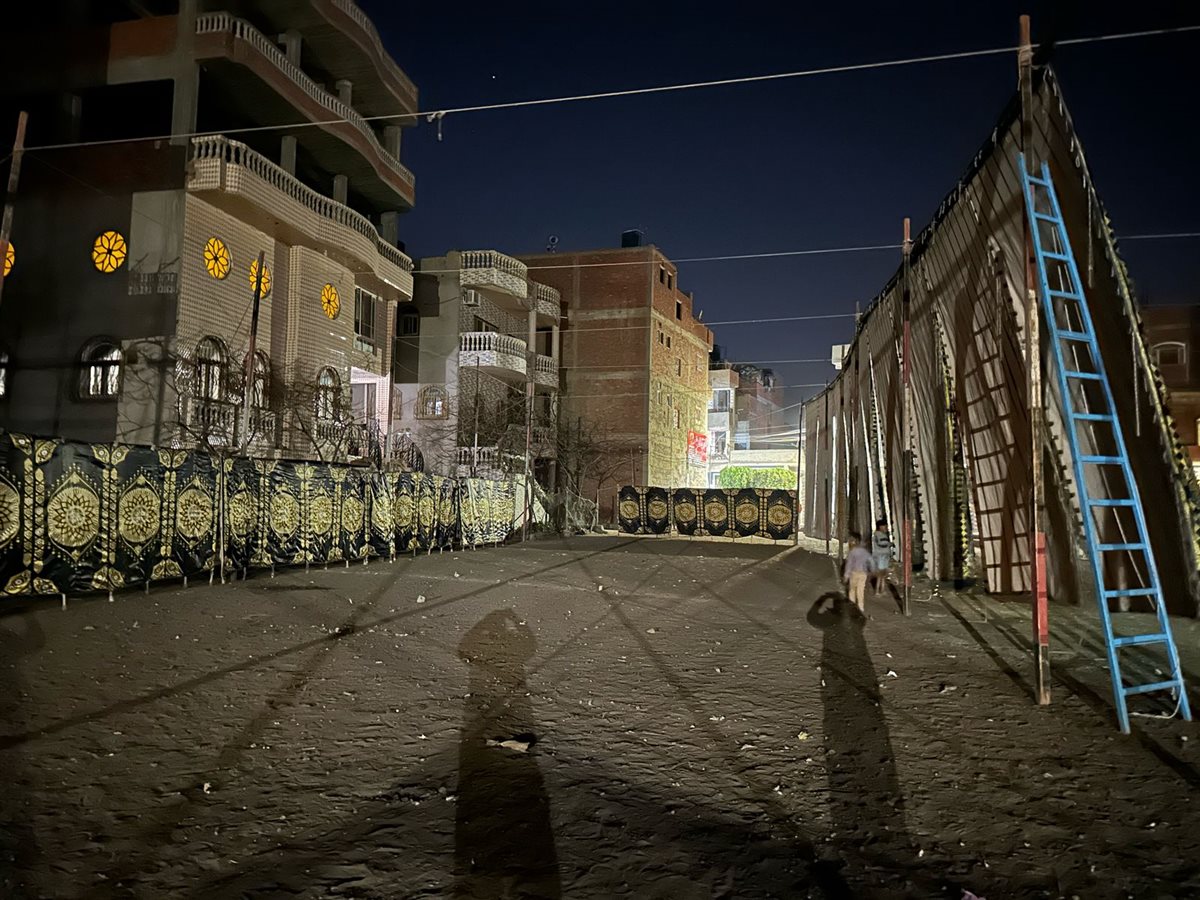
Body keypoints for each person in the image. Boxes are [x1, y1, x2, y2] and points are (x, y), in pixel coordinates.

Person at [842, 531, 874, 615]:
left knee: (852, 590)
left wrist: (846, 575)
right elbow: (871, 561)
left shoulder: (852, 552)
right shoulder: (865, 551)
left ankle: (852, 606)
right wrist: (871, 570)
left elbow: (849, 564)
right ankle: (861, 607)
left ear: (855, 541)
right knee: (860, 590)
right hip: (863, 573)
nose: (850, 542)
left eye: (851, 540)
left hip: (854, 573)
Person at [871, 518, 894, 596]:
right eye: (885, 526)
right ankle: (877, 591)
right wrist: (889, 544)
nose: (886, 528)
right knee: (880, 575)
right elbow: (882, 543)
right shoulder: (878, 534)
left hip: (884, 556)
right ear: (880, 527)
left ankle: (882, 589)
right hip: (880, 557)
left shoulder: (882, 534)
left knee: (883, 575)